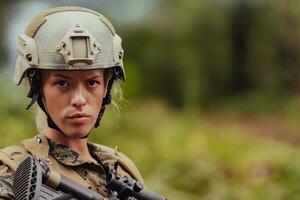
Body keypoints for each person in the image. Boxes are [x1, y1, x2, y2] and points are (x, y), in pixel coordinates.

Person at [0, 6, 143, 199]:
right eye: (62, 83)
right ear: (37, 86)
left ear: (106, 87)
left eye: (92, 82)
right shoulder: (15, 173)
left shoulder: (122, 169)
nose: (79, 100)